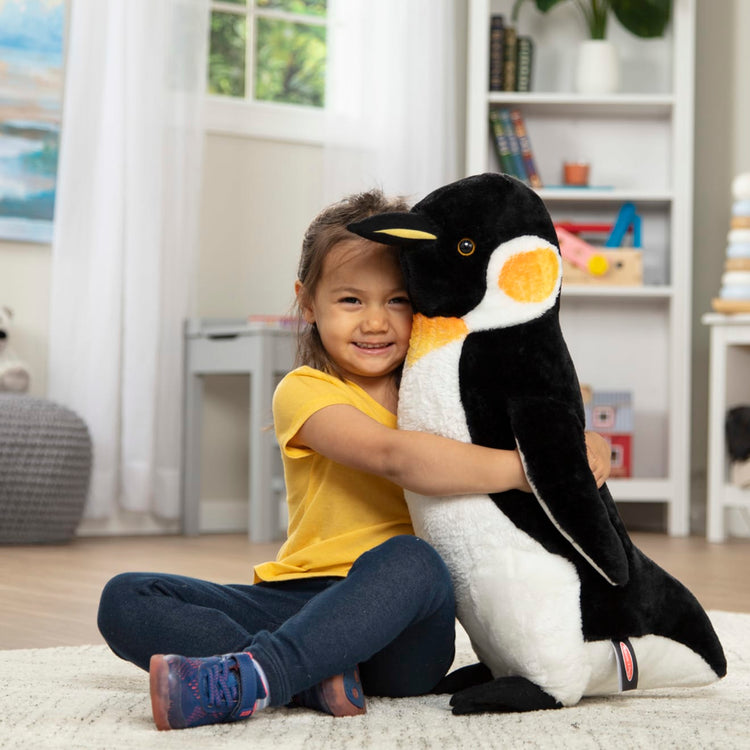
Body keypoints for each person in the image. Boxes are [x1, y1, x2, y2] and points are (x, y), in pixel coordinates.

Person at [97, 189, 611, 731]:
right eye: (351, 301)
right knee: (126, 598)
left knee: (411, 559)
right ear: (308, 303)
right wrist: (529, 470)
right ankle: (309, 671)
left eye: (398, 301)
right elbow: (393, 456)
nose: (375, 323)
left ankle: (264, 675)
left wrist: (583, 443)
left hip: (405, 625)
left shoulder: (442, 388)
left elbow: (541, 407)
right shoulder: (304, 390)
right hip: (297, 600)